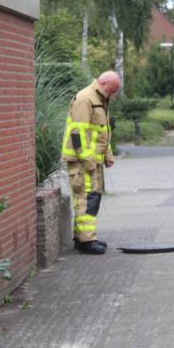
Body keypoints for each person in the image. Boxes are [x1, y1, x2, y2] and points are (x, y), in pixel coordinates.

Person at [61, 71, 121, 254]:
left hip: (92, 160)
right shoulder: (85, 99)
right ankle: (87, 241)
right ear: (102, 83)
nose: (111, 95)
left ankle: (83, 237)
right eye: (110, 91)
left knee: (91, 198)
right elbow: (77, 134)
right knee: (87, 199)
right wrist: (87, 160)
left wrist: (107, 154)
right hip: (83, 161)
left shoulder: (99, 97)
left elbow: (101, 131)